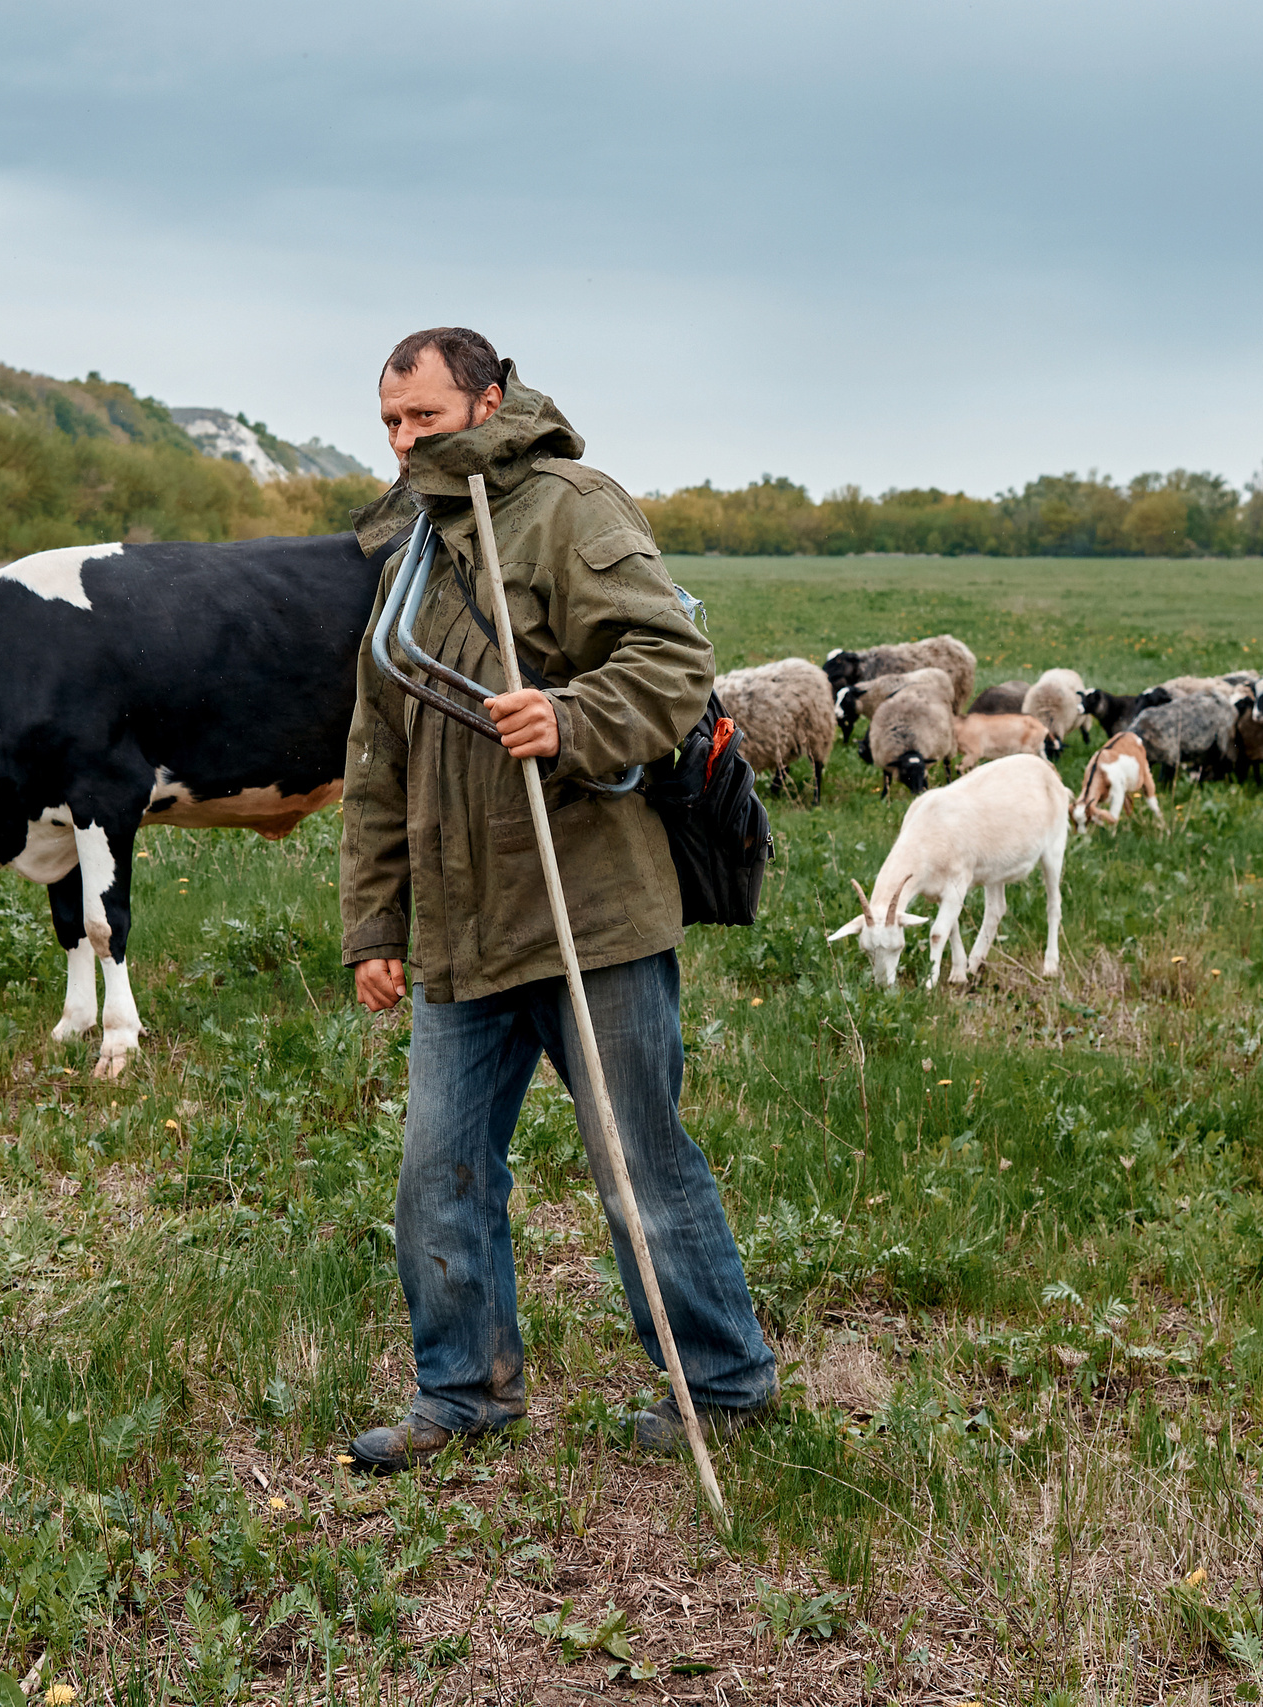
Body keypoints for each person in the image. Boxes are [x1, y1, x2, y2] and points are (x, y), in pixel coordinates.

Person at [338, 326, 778, 1472]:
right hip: (460, 929)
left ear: (488, 399)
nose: (401, 440)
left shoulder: (571, 507)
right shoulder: (408, 555)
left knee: (640, 1163)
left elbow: (669, 659)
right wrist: (375, 924)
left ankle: (722, 1387)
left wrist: (569, 720)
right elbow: (378, 755)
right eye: (389, 421)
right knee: (439, 1171)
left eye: (422, 419)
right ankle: (463, 1394)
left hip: (591, 911)